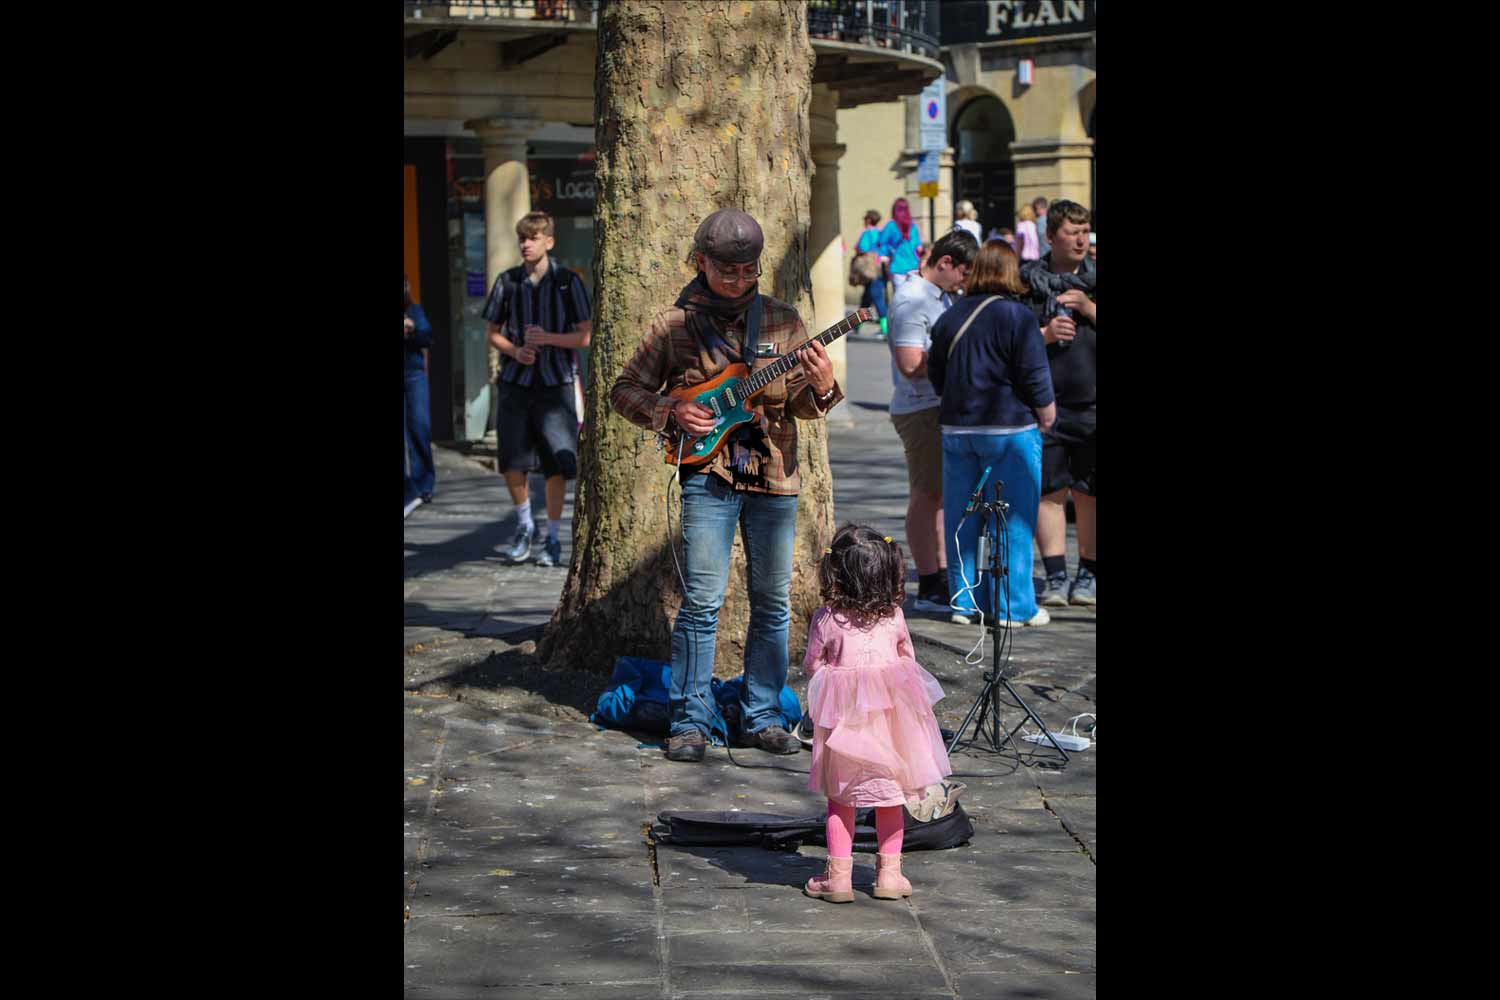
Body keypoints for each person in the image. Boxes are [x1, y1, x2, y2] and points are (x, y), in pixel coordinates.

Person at [610, 208, 843, 763]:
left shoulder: (783, 319)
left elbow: (805, 407)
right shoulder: (673, 325)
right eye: (727, 272)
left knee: (773, 602)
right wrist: (671, 410)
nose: (739, 282)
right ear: (701, 263)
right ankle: (689, 719)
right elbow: (624, 390)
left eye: (749, 271)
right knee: (702, 601)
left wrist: (824, 387)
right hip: (707, 474)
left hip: (773, 475)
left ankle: (762, 714)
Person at [801, 524, 953, 904]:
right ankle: (890, 875)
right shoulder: (895, 617)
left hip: (845, 729)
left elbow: (812, 665)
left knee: (841, 800)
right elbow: (908, 661)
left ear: (835, 573)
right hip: (891, 730)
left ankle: (837, 878)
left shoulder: (827, 619)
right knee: (890, 799)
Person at [928, 240, 1056, 628]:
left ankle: (964, 602)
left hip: (957, 429)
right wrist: (1047, 411)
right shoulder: (1018, 317)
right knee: (1012, 518)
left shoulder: (949, 318)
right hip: (1009, 428)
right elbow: (1034, 373)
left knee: (962, 519)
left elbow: (937, 376)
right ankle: (1012, 607)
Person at [483, 211, 593, 567]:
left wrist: (548, 339)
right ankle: (525, 526)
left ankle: (552, 537)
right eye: (522, 239)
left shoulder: (567, 282)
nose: (526, 244)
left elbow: (586, 335)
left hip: (555, 382)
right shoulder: (508, 282)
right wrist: (516, 350)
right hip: (516, 383)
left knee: (557, 464)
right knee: (511, 462)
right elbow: (492, 333)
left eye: (533, 238)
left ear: (549, 241)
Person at [886, 229, 979, 615]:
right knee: (925, 496)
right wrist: (961, 364)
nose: (964, 283)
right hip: (919, 408)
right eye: (963, 273)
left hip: (938, 407)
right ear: (945, 263)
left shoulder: (939, 295)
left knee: (939, 496)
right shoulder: (912, 299)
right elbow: (910, 364)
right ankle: (928, 582)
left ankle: (939, 574)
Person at [1019, 200, 1096, 608]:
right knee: (1050, 492)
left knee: (1089, 492)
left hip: (1092, 405)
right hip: (1045, 405)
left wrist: (1089, 308)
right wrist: (1044, 333)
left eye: (1085, 230)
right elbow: (1011, 337)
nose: (1082, 238)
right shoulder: (1028, 282)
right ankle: (1055, 577)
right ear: (1051, 237)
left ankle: (1088, 575)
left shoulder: (1096, 281)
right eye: (1072, 231)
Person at [404, 274, 436, 519]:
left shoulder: (414, 311)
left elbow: (427, 336)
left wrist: (412, 328)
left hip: (414, 377)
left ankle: (424, 485)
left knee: (419, 428)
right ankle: (409, 489)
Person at [855, 209, 889, 337]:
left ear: (869, 220)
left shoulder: (867, 233)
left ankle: (885, 330)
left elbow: (862, 248)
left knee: (877, 298)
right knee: (866, 300)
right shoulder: (881, 233)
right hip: (881, 269)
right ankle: (856, 326)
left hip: (871, 270)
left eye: (865, 218)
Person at [877, 197, 923, 289]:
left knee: (899, 298)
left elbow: (881, 244)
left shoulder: (891, 225)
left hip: (897, 266)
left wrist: (890, 250)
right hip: (913, 266)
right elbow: (918, 247)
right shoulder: (913, 226)